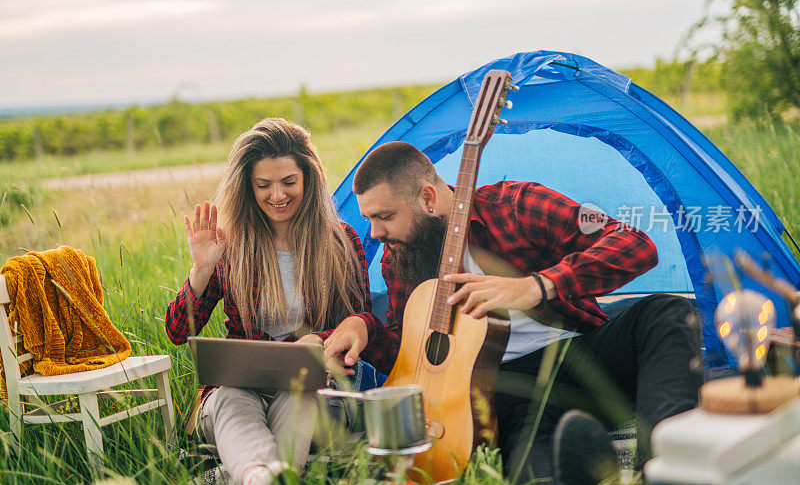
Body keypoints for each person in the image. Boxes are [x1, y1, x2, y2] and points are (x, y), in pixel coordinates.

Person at [323, 141, 703, 484]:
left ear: (427, 198)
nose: (373, 233)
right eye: (369, 219)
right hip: (506, 391)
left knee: (668, 311)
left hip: (579, 352)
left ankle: (666, 460)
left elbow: (635, 245)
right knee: (533, 469)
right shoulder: (400, 259)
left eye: (384, 216)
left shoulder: (515, 207)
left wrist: (535, 286)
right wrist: (365, 329)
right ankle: (585, 459)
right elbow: (412, 360)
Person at [165, 118, 371, 485]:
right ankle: (265, 476)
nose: (277, 196)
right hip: (241, 392)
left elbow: (360, 322)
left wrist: (320, 341)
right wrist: (200, 270)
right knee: (230, 397)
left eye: (288, 182)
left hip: (319, 390)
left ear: (309, 179)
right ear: (249, 187)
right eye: (264, 185)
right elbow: (179, 331)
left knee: (299, 393)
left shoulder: (341, 242)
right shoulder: (231, 246)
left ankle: (242, 474)